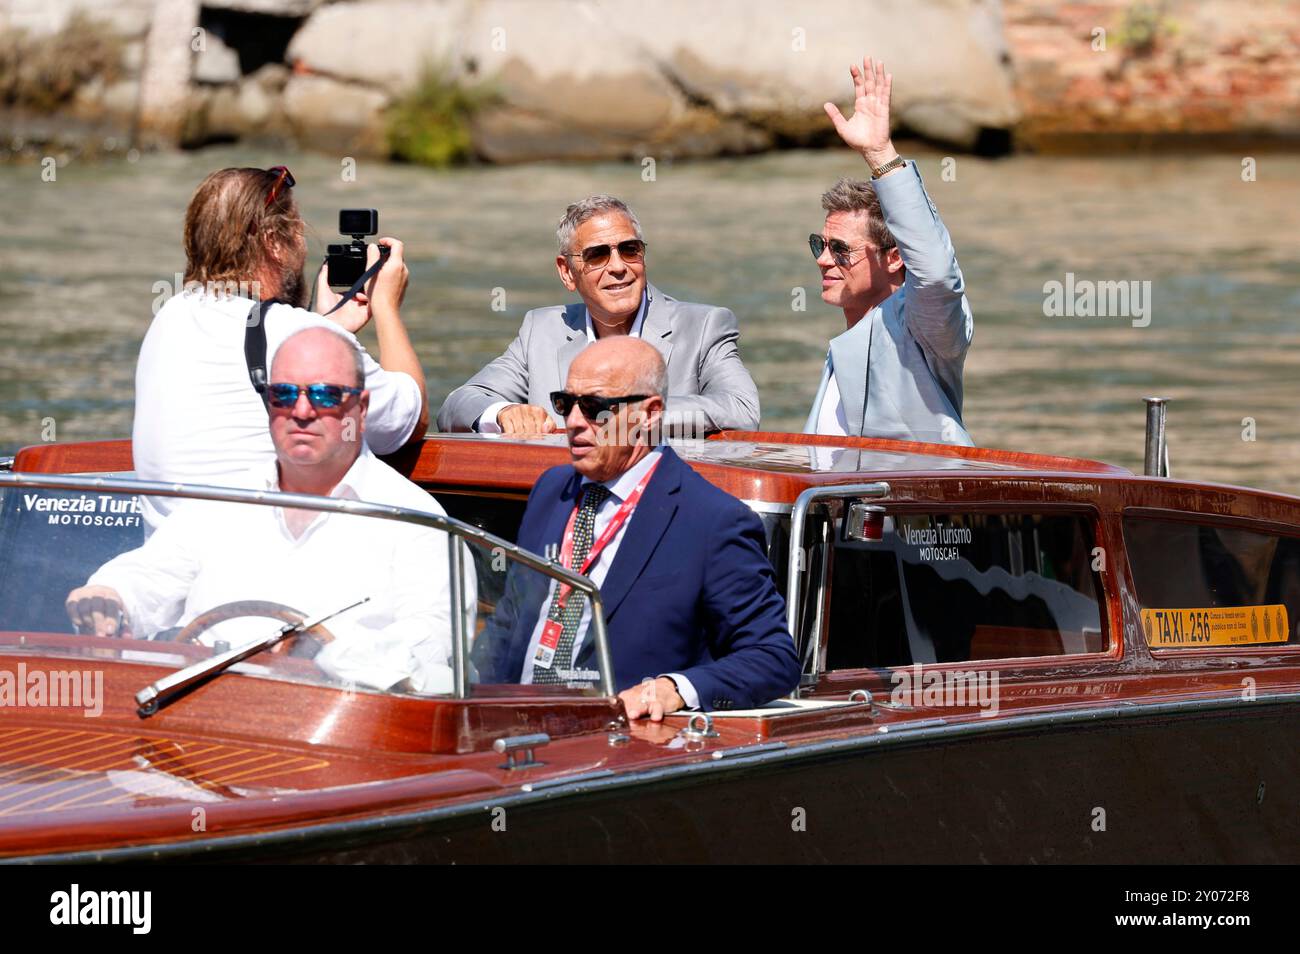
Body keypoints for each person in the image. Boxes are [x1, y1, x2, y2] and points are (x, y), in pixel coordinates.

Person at [67, 328, 468, 694]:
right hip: (198, 719)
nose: (303, 411)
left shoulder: (417, 522)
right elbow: (150, 575)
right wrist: (109, 597)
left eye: (326, 395)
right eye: (284, 395)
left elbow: (434, 642)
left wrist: (319, 656)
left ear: (361, 409)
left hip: (341, 732)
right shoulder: (224, 502)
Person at [471, 336, 799, 719]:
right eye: (566, 404)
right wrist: (461, 682)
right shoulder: (550, 490)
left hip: (618, 741)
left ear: (649, 413)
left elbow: (772, 658)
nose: (574, 422)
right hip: (512, 727)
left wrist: (674, 689)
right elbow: (514, 616)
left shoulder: (712, 520)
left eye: (595, 408)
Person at [134, 166, 428, 528]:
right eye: (298, 232)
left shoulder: (171, 315)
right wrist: (386, 307)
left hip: (179, 565)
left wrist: (326, 328)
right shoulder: (293, 333)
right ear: (274, 242)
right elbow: (410, 420)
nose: (302, 247)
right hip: (264, 565)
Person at [436, 195, 760, 438]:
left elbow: (742, 409)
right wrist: (504, 412)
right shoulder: (542, 330)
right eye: (597, 255)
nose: (618, 266)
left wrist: (633, 415)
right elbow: (456, 404)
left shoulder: (704, 326)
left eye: (630, 249)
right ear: (567, 273)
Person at [804, 58, 974, 446]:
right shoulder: (845, 345)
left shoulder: (920, 328)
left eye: (841, 249)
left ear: (894, 257)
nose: (822, 259)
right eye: (821, 245)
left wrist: (880, 155)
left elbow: (935, 274)